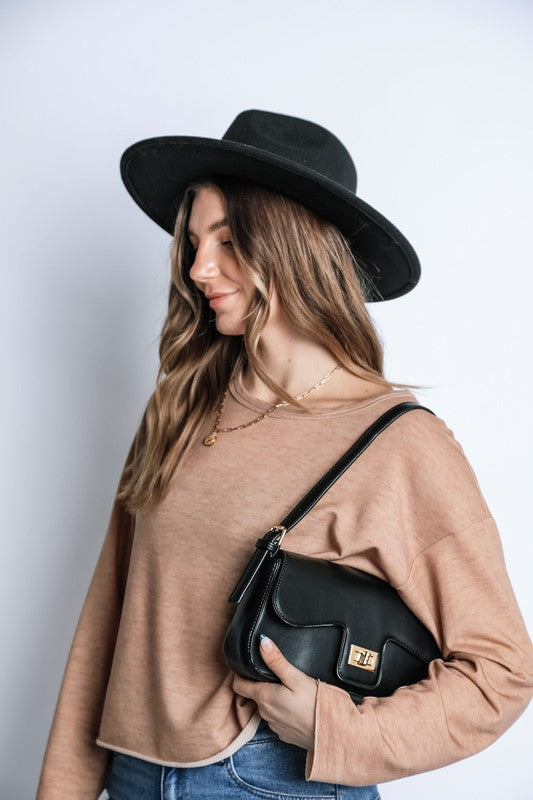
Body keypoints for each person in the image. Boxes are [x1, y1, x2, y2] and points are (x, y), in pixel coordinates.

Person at [36, 109, 533, 800]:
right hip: (129, 771)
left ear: (293, 246)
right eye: (193, 242)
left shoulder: (395, 442)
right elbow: (109, 619)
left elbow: (500, 670)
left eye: (228, 240)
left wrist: (337, 729)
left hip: (268, 778)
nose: (198, 268)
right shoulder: (180, 409)